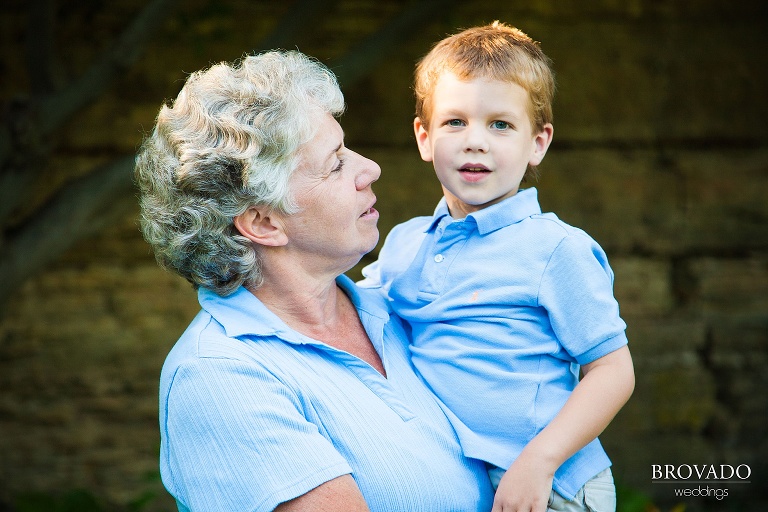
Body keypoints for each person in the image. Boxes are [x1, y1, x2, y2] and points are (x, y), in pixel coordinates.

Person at [134, 50, 495, 512]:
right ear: (263, 223)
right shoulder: (219, 378)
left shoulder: (401, 307)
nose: (370, 169)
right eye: (336, 162)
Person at [359, 22, 635, 512]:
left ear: (538, 143)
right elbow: (349, 311)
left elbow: (612, 371)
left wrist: (540, 461)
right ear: (424, 138)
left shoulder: (555, 249)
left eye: (501, 125)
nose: (475, 142)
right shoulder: (403, 244)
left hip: (550, 485)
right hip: (459, 478)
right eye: (455, 122)